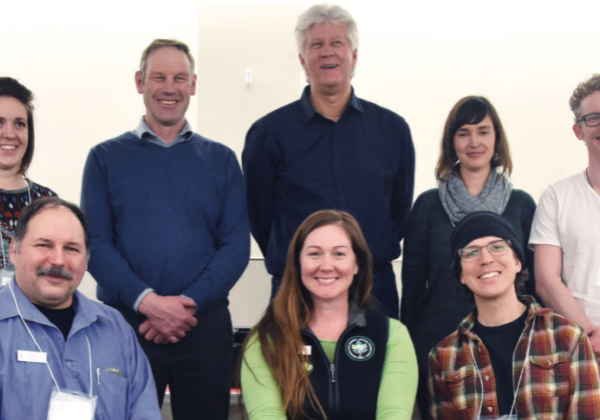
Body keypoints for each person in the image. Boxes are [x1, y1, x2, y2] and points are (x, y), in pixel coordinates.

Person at [81, 39, 250, 419]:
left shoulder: (221, 161)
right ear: (140, 82)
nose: (169, 87)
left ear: (193, 84)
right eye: (159, 77)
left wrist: (186, 304)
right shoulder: (104, 158)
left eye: (180, 77)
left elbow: (236, 245)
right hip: (128, 326)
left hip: (203, 328)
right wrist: (150, 304)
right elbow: (96, 244)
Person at [242, 4, 415, 319]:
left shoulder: (391, 130)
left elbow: (398, 212)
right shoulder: (269, 133)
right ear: (302, 60)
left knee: (377, 369)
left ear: (354, 55)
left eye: (337, 43)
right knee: (296, 370)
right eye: (316, 44)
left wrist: (363, 253)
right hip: (296, 292)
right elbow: (260, 216)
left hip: (373, 289)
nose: (327, 52)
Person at [399, 96, 537, 418]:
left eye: (483, 131)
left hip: (511, 343)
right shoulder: (428, 206)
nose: (474, 142)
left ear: (497, 140)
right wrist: (406, 350)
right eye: (463, 133)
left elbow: (534, 284)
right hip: (437, 345)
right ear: (451, 143)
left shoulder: (521, 205)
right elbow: (413, 288)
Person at [241, 210, 418, 420]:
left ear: (356, 264)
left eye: (339, 254)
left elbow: (394, 415)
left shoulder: (392, 336)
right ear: (297, 264)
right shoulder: (263, 339)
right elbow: (266, 414)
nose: (326, 266)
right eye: (314, 254)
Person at [0, 197, 161, 419]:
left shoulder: (116, 329)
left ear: (86, 261)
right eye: (44, 245)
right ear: (14, 251)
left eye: (71, 249)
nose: (58, 260)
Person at [429, 211, 600, 420]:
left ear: (518, 262)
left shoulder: (568, 338)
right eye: (471, 253)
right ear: (461, 275)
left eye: (497, 247)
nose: (486, 259)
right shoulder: (444, 356)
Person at [530, 74, 600, 358]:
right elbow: (546, 279)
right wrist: (590, 336)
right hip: (580, 349)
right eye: (593, 117)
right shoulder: (556, 196)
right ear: (578, 131)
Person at [0, 77, 56, 286]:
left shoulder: (48, 202)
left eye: (19, 124)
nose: (10, 134)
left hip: (35, 316)